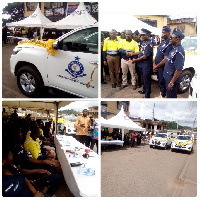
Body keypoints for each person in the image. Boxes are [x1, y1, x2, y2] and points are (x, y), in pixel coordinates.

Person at [163, 28, 185, 98]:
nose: (170, 39)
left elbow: (178, 70)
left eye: (171, 38)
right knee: (169, 95)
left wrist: (172, 82)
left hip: (171, 80)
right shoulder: (173, 48)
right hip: (168, 77)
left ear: (177, 39)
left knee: (171, 97)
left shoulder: (179, 52)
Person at [132, 28, 153, 98]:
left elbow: (145, 56)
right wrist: (132, 54)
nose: (142, 37)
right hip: (141, 64)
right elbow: (141, 52)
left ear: (148, 35)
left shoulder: (149, 44)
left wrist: (136, 60)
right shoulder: (144, 43)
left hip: (146, 65)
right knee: (143, 79)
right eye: (141, 35)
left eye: (143, 35)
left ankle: (147, 95)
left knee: (146, 80)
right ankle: (144, 90)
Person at [153, 26, 173, 98]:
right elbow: (157, 54)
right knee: (159, 81)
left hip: (163, 68)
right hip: (158, 66)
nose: (162, 34)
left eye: (164, 32)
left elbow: (165, 60)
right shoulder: (162, 43)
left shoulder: (169, 44)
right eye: (162, 32)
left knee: (163, 81)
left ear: (168, 33)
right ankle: (162, 93)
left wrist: (156, 66)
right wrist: (154, 63)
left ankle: (163, 95)